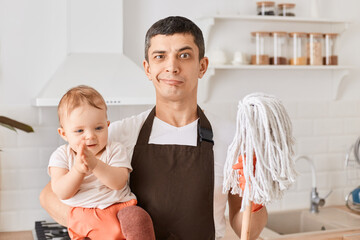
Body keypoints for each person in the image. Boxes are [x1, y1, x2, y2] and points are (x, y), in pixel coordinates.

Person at [40, 16, 267, 239]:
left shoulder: (232, 138)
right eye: (160, 56)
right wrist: (93, 225)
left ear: (202, 66)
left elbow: (247, 230)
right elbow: (49, 195)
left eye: (184, 55)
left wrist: (255, 195)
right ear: (147, 69)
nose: (172, 67)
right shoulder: (118, 134)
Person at [48, 85, 155, 240]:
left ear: (107, 126)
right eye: (79, 131)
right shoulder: (61, 156)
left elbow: (118, 182)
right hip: (83, 215)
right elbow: (61, 191)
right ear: (63, 133)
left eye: (98, 128)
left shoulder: (115, 149)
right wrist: (78, 170)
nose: (90, 136)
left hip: (118, 209)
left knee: (137, 217)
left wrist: (96, 165)